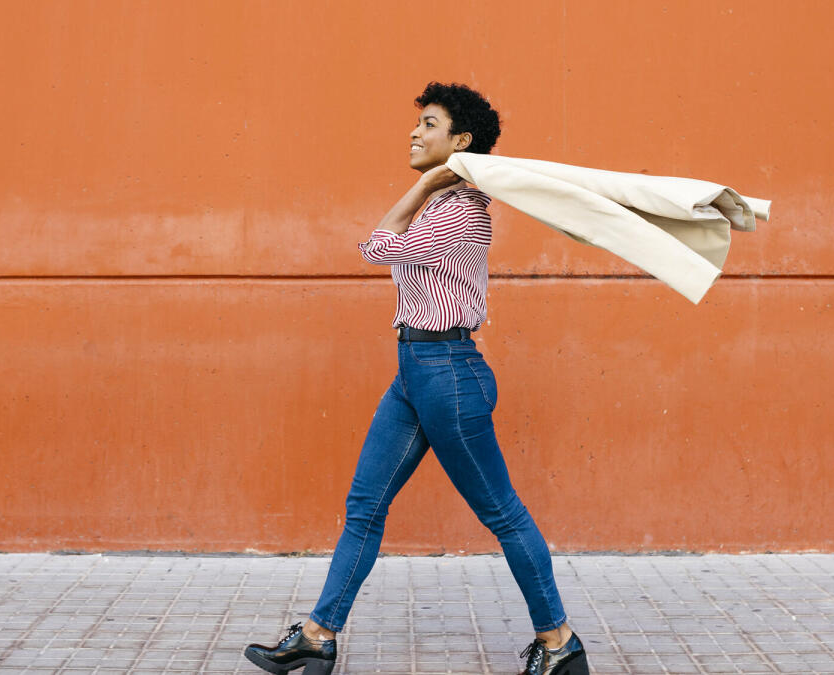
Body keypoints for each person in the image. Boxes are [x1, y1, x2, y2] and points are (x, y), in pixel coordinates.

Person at [243, 82, 589, 675]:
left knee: (502, 513)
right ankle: (319, 635)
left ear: (461, 141)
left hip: (448, 376)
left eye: (429, 124)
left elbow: (375, 246)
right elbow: (381, 243)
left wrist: (425, 184)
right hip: (416, 374)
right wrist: (425, 187)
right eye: (418, 123)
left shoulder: (454, 210)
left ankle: (559, 642)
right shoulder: (442, 206)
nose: (414, 132)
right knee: (364, 506)